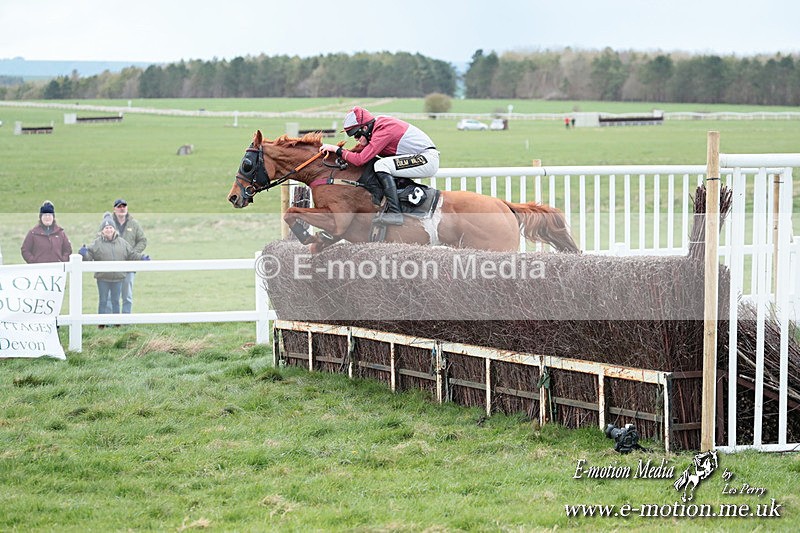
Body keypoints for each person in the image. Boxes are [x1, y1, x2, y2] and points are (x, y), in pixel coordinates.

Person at [319, 106, 439, 226]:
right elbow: (359, 153)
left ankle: (395, 213)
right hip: (420, 157)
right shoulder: (377, 126)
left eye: (356, 135)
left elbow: (360, 160)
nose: (356, 139)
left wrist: (337, 150)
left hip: (427, 159)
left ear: (365, 128)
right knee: (378, 164)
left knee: (381, 165)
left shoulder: (383, 129)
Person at [78, 213, 149, 327]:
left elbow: (131, 254)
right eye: (106, 228)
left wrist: (142, 258)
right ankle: (101, 323)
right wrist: (84, 254)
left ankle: (117, 324)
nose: (109, 230)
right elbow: (89, 257)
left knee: (116, 301)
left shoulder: (122, 243)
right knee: (103, 301)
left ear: (114, 229)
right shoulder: (97, 243)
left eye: (111, 227)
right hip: (103, 278)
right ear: (102, 231)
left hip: (118, 278)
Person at [110, 199, 147, 314]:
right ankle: (113, 321)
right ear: (114, 209)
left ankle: (126, 321)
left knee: (127, 296)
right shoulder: (109, 223)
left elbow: (142, 240)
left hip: (129, 265)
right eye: (119, 206)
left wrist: (133, 253)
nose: (122, 208)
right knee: (113, 296)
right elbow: (100, 239)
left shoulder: (133, 224)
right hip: (112, 265)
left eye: (124, 206)